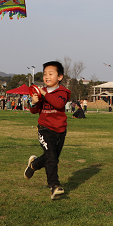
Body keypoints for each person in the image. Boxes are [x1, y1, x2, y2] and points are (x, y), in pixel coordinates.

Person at [24, 61, 71, 200]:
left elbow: (58, 103)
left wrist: (44, 93)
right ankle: (54, 186)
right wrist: (33, 102)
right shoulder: (40, 92)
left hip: (60, 130)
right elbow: (34, 111)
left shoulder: (63, 92)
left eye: (51, 74)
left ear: (60, 77)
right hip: (44, 129)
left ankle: (34, 164)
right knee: (51, 157)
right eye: (45, 74)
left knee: (52, 157)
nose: (47, 77)